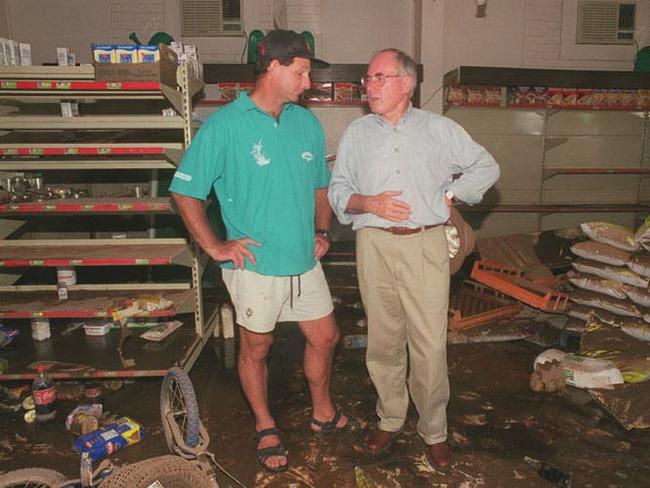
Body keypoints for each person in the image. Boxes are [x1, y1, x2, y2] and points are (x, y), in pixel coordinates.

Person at [169, 29, 365, 473]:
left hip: (303, 259)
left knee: (326, 336)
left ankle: (322, 413)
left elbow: (320, 185)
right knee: (257, 347)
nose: (308, 82)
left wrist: (323, 231)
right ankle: (264, 423)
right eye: (301, 72)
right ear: (273, 68)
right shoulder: (225, 125)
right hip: (255, 264)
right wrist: (215, 246)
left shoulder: (305, 123)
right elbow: (185, 192)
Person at [328, 48, 499, 469]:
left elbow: (486, 167)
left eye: (380, 77)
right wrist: (368, 201)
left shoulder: (440, 130)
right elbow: (336, 191)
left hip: (425, 244)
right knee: (384, 340)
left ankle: (434, 430)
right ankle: (389, 418)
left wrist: (450, 195)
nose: (370, 86)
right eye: (368, 79)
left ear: (408, 83)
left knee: (428, 343)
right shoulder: (357, 134)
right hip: (374, 244)